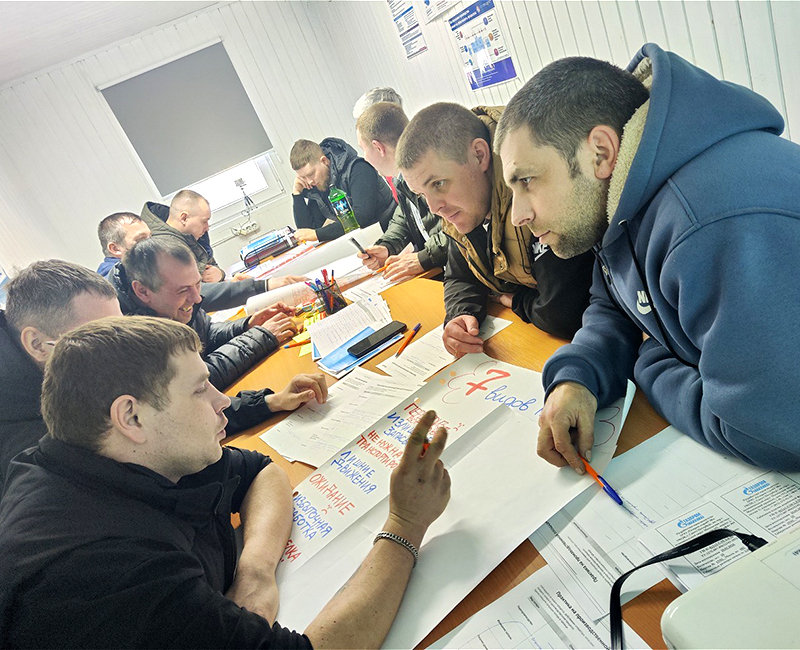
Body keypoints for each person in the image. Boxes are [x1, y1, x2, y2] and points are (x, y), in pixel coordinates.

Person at [0, 316, 451, 649]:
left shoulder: (117, 455)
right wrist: (406, 523)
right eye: (200, 389)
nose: (223, 403)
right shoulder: (107, 573)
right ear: (131, 417)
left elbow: (259, 471)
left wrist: (256, 574)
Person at [495, 44, 800, 473]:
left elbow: (768, 434)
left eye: (526, 180)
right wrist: (578, 376)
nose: (518, 215)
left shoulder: (708, 223)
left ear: (600, 153)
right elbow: (613, 303)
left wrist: (648, 363)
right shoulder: (620, 198)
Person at [396, 102, 595, 354]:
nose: (434, 208)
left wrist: (518, 301)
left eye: (438, 184)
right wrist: (461, 313)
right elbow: (460, 275)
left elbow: (564, 313)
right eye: (422, 194)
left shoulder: (534, 184)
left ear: (480, 155)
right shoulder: (462, 204)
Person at [112, 237, 319, 435]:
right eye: (183, 291)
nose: (196, 298)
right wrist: (259, 337)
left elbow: (207, 334)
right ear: (142, 291)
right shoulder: (128, 336)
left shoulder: (173, 304)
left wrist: (246, 325)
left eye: (198, 284)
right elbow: (196, 381)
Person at [0, 260, 121, 487]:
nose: (120, 352)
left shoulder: (70, 379)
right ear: (37, 344)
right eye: (100, 338)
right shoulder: (26, 450)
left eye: (121, 331)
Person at [140, 190, 308, 310]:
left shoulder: (192, 235)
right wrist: (259, 286)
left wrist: (222, 276)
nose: (207, 227)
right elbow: (197, 292)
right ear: (184, 217)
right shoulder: (163, 248)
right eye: (204, 221)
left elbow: (212, 272)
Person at [355, 102, 448, 282]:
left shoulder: (427, 171)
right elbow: (404, 216)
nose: (364, 158)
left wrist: (423, 258)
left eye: (363, 149)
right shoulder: (402, 176)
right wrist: (387, 246)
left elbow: (459, 229)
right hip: (443, 267)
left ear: (378, 147)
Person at [291, 138, 396, 243]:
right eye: (303, 177)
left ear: (324, 161)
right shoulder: (319, 184)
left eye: (311, 174)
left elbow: (362, 216)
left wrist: (318, 234)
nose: (309, 181)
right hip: (364, 239)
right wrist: (297, 194)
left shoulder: (358, 167)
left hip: (391, 231)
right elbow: (307, 232)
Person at [96, 212, 151, 277]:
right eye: (141, 239)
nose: (150, 243)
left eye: (151, 237)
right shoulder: (119, 279)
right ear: (115, 249)